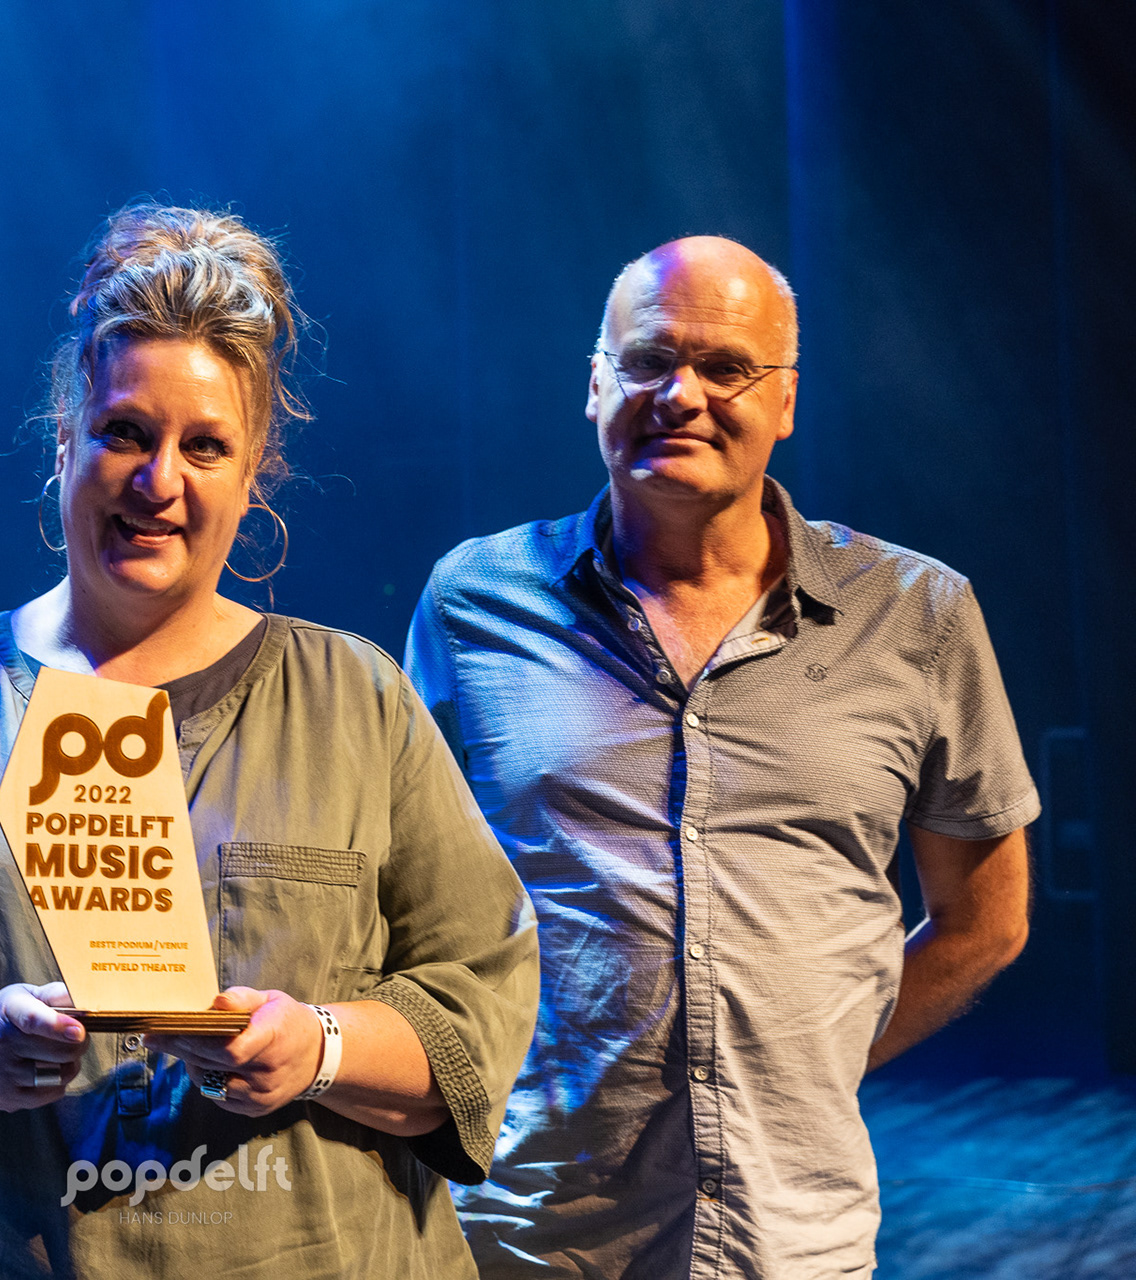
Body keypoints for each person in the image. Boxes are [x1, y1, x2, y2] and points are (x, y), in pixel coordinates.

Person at [0, 204, 539, 1278]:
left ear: (254, 473)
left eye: (205, 446)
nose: (160, 481)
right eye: (124, 433)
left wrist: (318, 1046)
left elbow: (481, 1003)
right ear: (64, 440)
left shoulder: (356, 699)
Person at [405, 236, 1038, 1278]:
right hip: (531, 1233)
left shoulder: (917, 614)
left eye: (726, 367)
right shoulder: (473, 601)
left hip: (796, 1242)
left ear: (785, 400)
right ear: (596, 385)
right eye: (649, 361)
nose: (682, 394)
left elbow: (986, 920)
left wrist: (813, 1057)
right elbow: (405, 902)